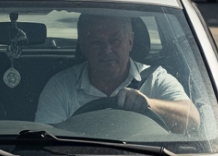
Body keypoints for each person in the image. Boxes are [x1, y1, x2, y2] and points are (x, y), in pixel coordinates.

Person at [35, 14, 200, 130]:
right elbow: (44, 141)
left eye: (115, 41)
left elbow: (192, 119)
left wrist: (149, 104)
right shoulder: (61, 86)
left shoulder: (155, 79)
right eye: (96, 42)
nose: (107, 50)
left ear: (130, 41)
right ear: (83, 46)